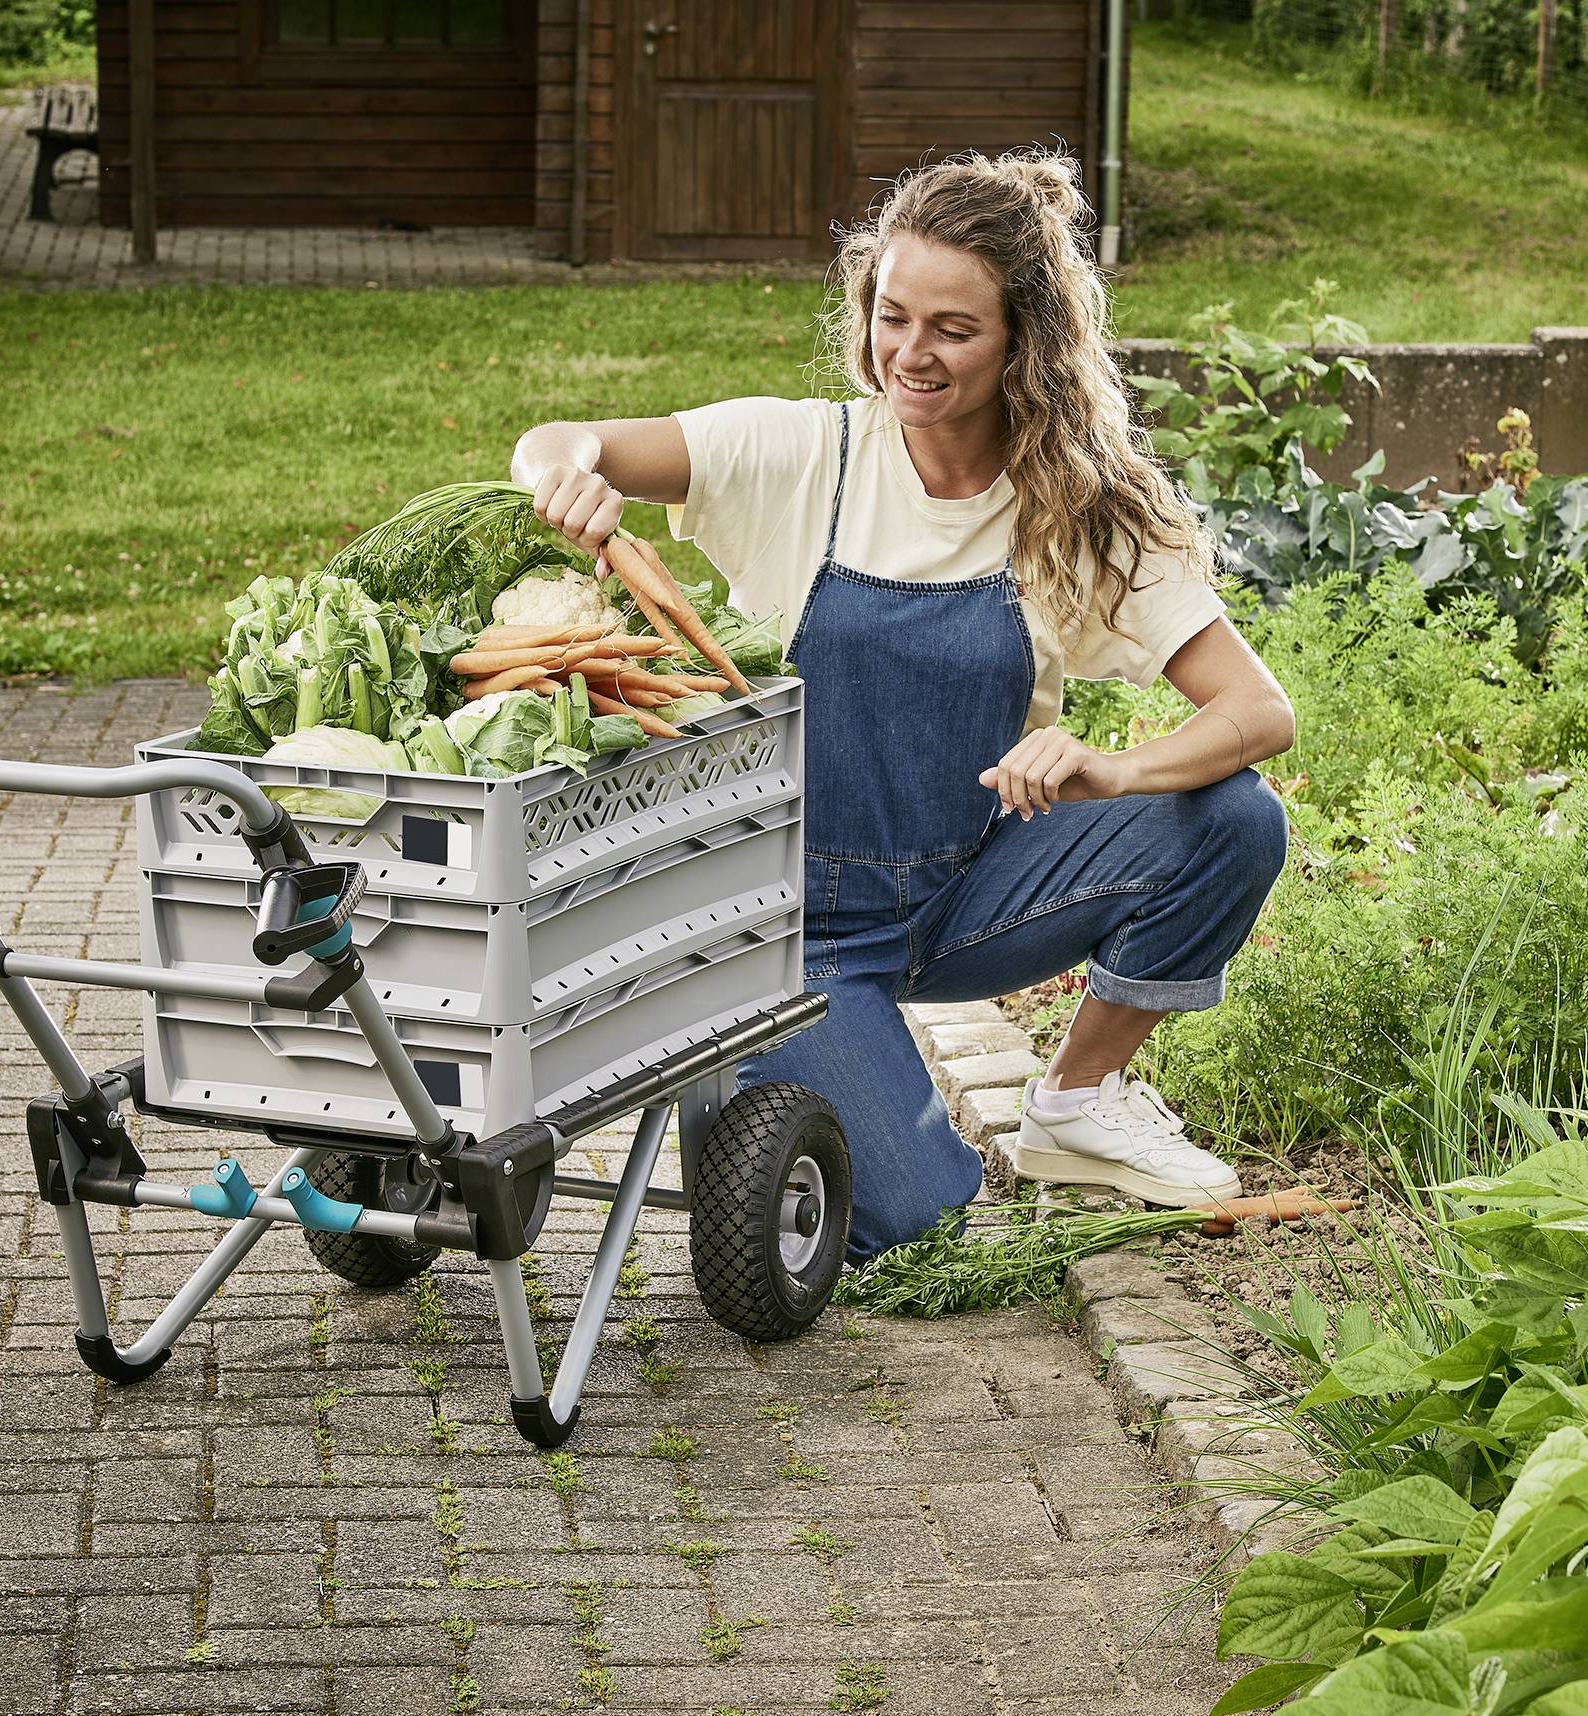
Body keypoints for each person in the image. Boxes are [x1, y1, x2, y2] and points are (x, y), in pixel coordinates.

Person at [509, 149, 1294, 1266]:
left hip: (969, 887)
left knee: (1234, 817)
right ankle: (740, 1058)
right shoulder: (803, 451)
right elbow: (561, 439)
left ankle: (1075, 1101)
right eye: (891, 316)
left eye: (951, 330)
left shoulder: (1074, 508)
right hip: (791, 926)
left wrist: (1111, 769)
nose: (909, 354)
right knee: (916, 1220)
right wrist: (565, 472)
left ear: (1024, 339)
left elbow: (1256, 709)